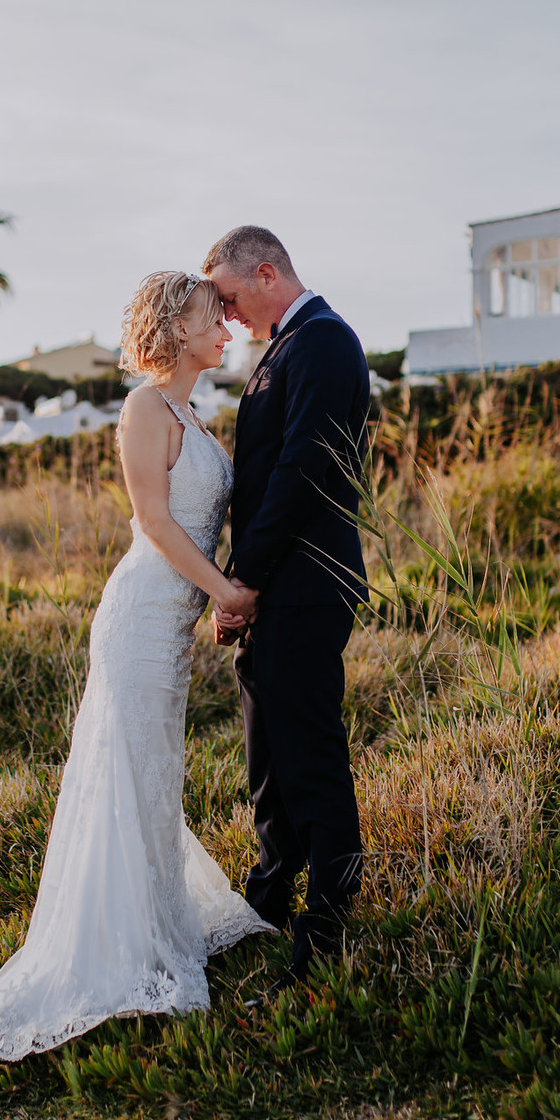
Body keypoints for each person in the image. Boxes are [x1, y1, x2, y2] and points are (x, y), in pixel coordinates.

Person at [0, 271, 274, 1063]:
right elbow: (154, 522)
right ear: (175, 328)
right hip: (138, 621)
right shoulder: (144, 407)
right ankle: (122, 949)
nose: (225, 328)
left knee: (156, 772)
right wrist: (228, 593)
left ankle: (157, 924)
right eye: (210, 318)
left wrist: (220, 601)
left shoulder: (197, 413)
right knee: (127, 769)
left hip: (177, 623)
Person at [203, 226, 371, 995]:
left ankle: (328, 921)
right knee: (267, 757)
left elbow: (303, 471)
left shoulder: (326, 343)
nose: (228, 318)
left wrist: (243, 579)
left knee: (310, 757)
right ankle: (270, 893)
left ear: (267, 272)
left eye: (232, 300)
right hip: (276, 590)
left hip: (304, 584)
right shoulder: (282, 346)